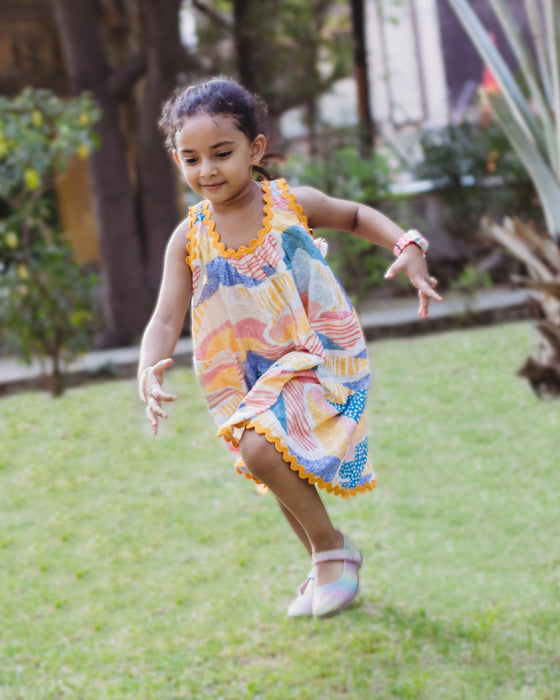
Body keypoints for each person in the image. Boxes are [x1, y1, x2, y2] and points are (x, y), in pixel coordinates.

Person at [137, 76, 441, 619]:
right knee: (272, 465)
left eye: (222, 153)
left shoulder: (287, 204)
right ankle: (324, 566)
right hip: (247, 373)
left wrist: (407, 245)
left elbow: (354, 215)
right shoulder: (189, 236)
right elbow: (166, 315)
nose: (207, 170)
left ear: (255, 149)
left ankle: (332, 551)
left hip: (313, 353)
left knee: (258, 448)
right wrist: (147, 368)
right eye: (191, 158)